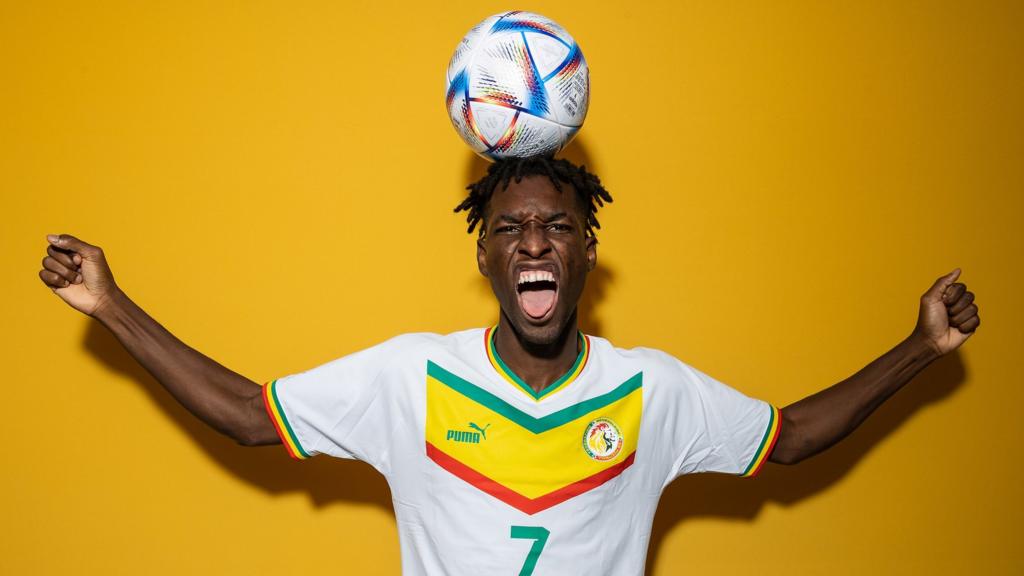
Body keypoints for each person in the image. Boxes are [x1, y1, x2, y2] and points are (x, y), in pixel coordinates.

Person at [38, 155, 980, 575]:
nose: (536, 241)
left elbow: (792, 437)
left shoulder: (651, 390)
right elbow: (248, 411)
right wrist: (111, 306)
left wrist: (922, 348)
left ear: (585, 258)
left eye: (558, 226)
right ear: (484, 258)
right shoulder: (409, 377)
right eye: (511, 229)